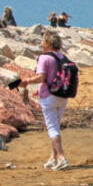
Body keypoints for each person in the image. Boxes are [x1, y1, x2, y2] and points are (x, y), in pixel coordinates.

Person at [22, 30, 72, 170]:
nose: (41, 44)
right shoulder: (62, 57)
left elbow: (42, 77)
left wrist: (27, 81)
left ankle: (61, 157)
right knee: (55, 126)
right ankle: (53, 158)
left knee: (52, 128)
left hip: (49, 96)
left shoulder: (44, 58)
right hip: (63, 96)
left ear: (49, 43)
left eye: (43, 42)